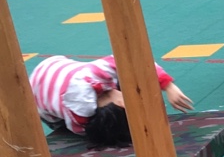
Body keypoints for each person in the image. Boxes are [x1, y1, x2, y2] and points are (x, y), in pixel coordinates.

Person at [30, 53, 192, 146]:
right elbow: (81, 129)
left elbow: (134, 58)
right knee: (64, 123)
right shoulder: (79, 115)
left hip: (51, 69)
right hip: (42, 90)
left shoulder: (96, 74)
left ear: (122, 103)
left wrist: (168, 86)